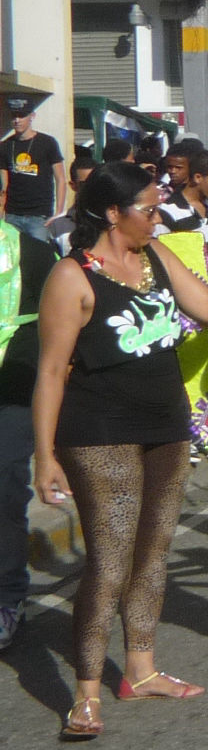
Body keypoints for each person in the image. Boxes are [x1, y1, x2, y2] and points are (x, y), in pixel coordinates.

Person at [33, 163, 208, 736]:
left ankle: (140, 670)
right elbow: (51, 372)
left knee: (152, 553)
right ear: (114, 213)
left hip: (167, 428)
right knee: (110, 562)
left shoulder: (158, 258)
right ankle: (85, 694)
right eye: (148, 208)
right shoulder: (73, 276)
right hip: (99, 433)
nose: (157, 217)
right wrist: (46, 455)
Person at [0, 229, 52, 651]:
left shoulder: (30, 250)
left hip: (12, 390)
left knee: (4, 485)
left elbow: (51, 323)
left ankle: (8, 595)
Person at [0, 92, 65, 244]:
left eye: (21, 115)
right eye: (14, 116)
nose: (17, 120)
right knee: (14, 258)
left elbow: (60, 178)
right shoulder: (5, 146)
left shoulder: (47, 143)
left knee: (39, 258)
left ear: (32, 116)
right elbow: (4, 185)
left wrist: (59, 212)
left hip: (39, 215)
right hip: (13, 215)